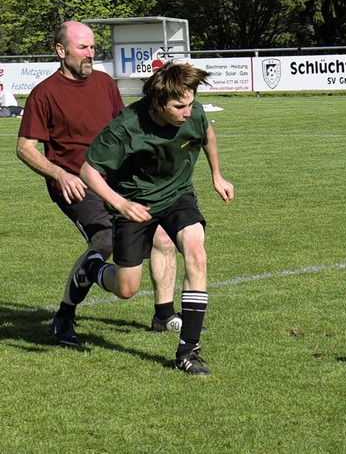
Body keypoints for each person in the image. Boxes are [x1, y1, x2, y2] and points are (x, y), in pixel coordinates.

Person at [16, 21, 180, 347]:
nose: (90, 54)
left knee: (163, 234)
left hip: (117, 180)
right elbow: (24, 148)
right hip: (75, 184)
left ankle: (163, 315)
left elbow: (124, 131)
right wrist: (60, 174)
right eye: (82, 48)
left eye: (92, 47)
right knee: (104, 240)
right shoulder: (44, 93)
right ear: (61, 51)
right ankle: (64, 317)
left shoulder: (105, 83)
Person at [77, 62, 234, 375]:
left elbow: (206, 133)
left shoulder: (194, 112)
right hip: (135, 203)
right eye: (179, 106)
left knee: (196, 253)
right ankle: (92, 268)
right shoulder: (126, 126)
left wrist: (217, 175)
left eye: (191, 103)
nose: (188, 112)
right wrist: (120, 203)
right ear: (158, 104)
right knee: (126, 288)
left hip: (178, 194)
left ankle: (188, 351)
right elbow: (88, 171)